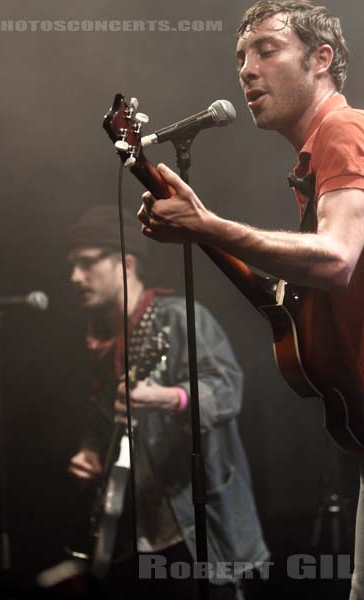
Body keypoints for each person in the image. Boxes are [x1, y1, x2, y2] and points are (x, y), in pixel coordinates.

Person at [137, 1, 364, 598]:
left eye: (266, 49)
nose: (246, 70)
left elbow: (337, 259)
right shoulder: (314, 157)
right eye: (241, 57)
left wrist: (207, 225)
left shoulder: (342, 130)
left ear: (321, 60)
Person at [66, 204, 269, 599]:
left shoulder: (181, 319)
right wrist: (90, 452)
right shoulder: (100, 339)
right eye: (72, 266)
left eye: (88, 263)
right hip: (134, 530)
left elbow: (228, 389)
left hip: (193, 524)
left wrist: (170, 397)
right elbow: (101, 416)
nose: (75, 277)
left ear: (126, 264)